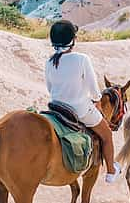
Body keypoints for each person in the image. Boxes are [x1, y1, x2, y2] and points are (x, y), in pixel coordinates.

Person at [45, 20, 121, 183]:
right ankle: (111, 171)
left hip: (56, 108)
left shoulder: (50, 61)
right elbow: (93, 89)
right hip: (79, 109)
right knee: (107, 134)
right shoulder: (81, 59)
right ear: (72, 40)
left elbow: (49, 88)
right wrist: (97, 101)